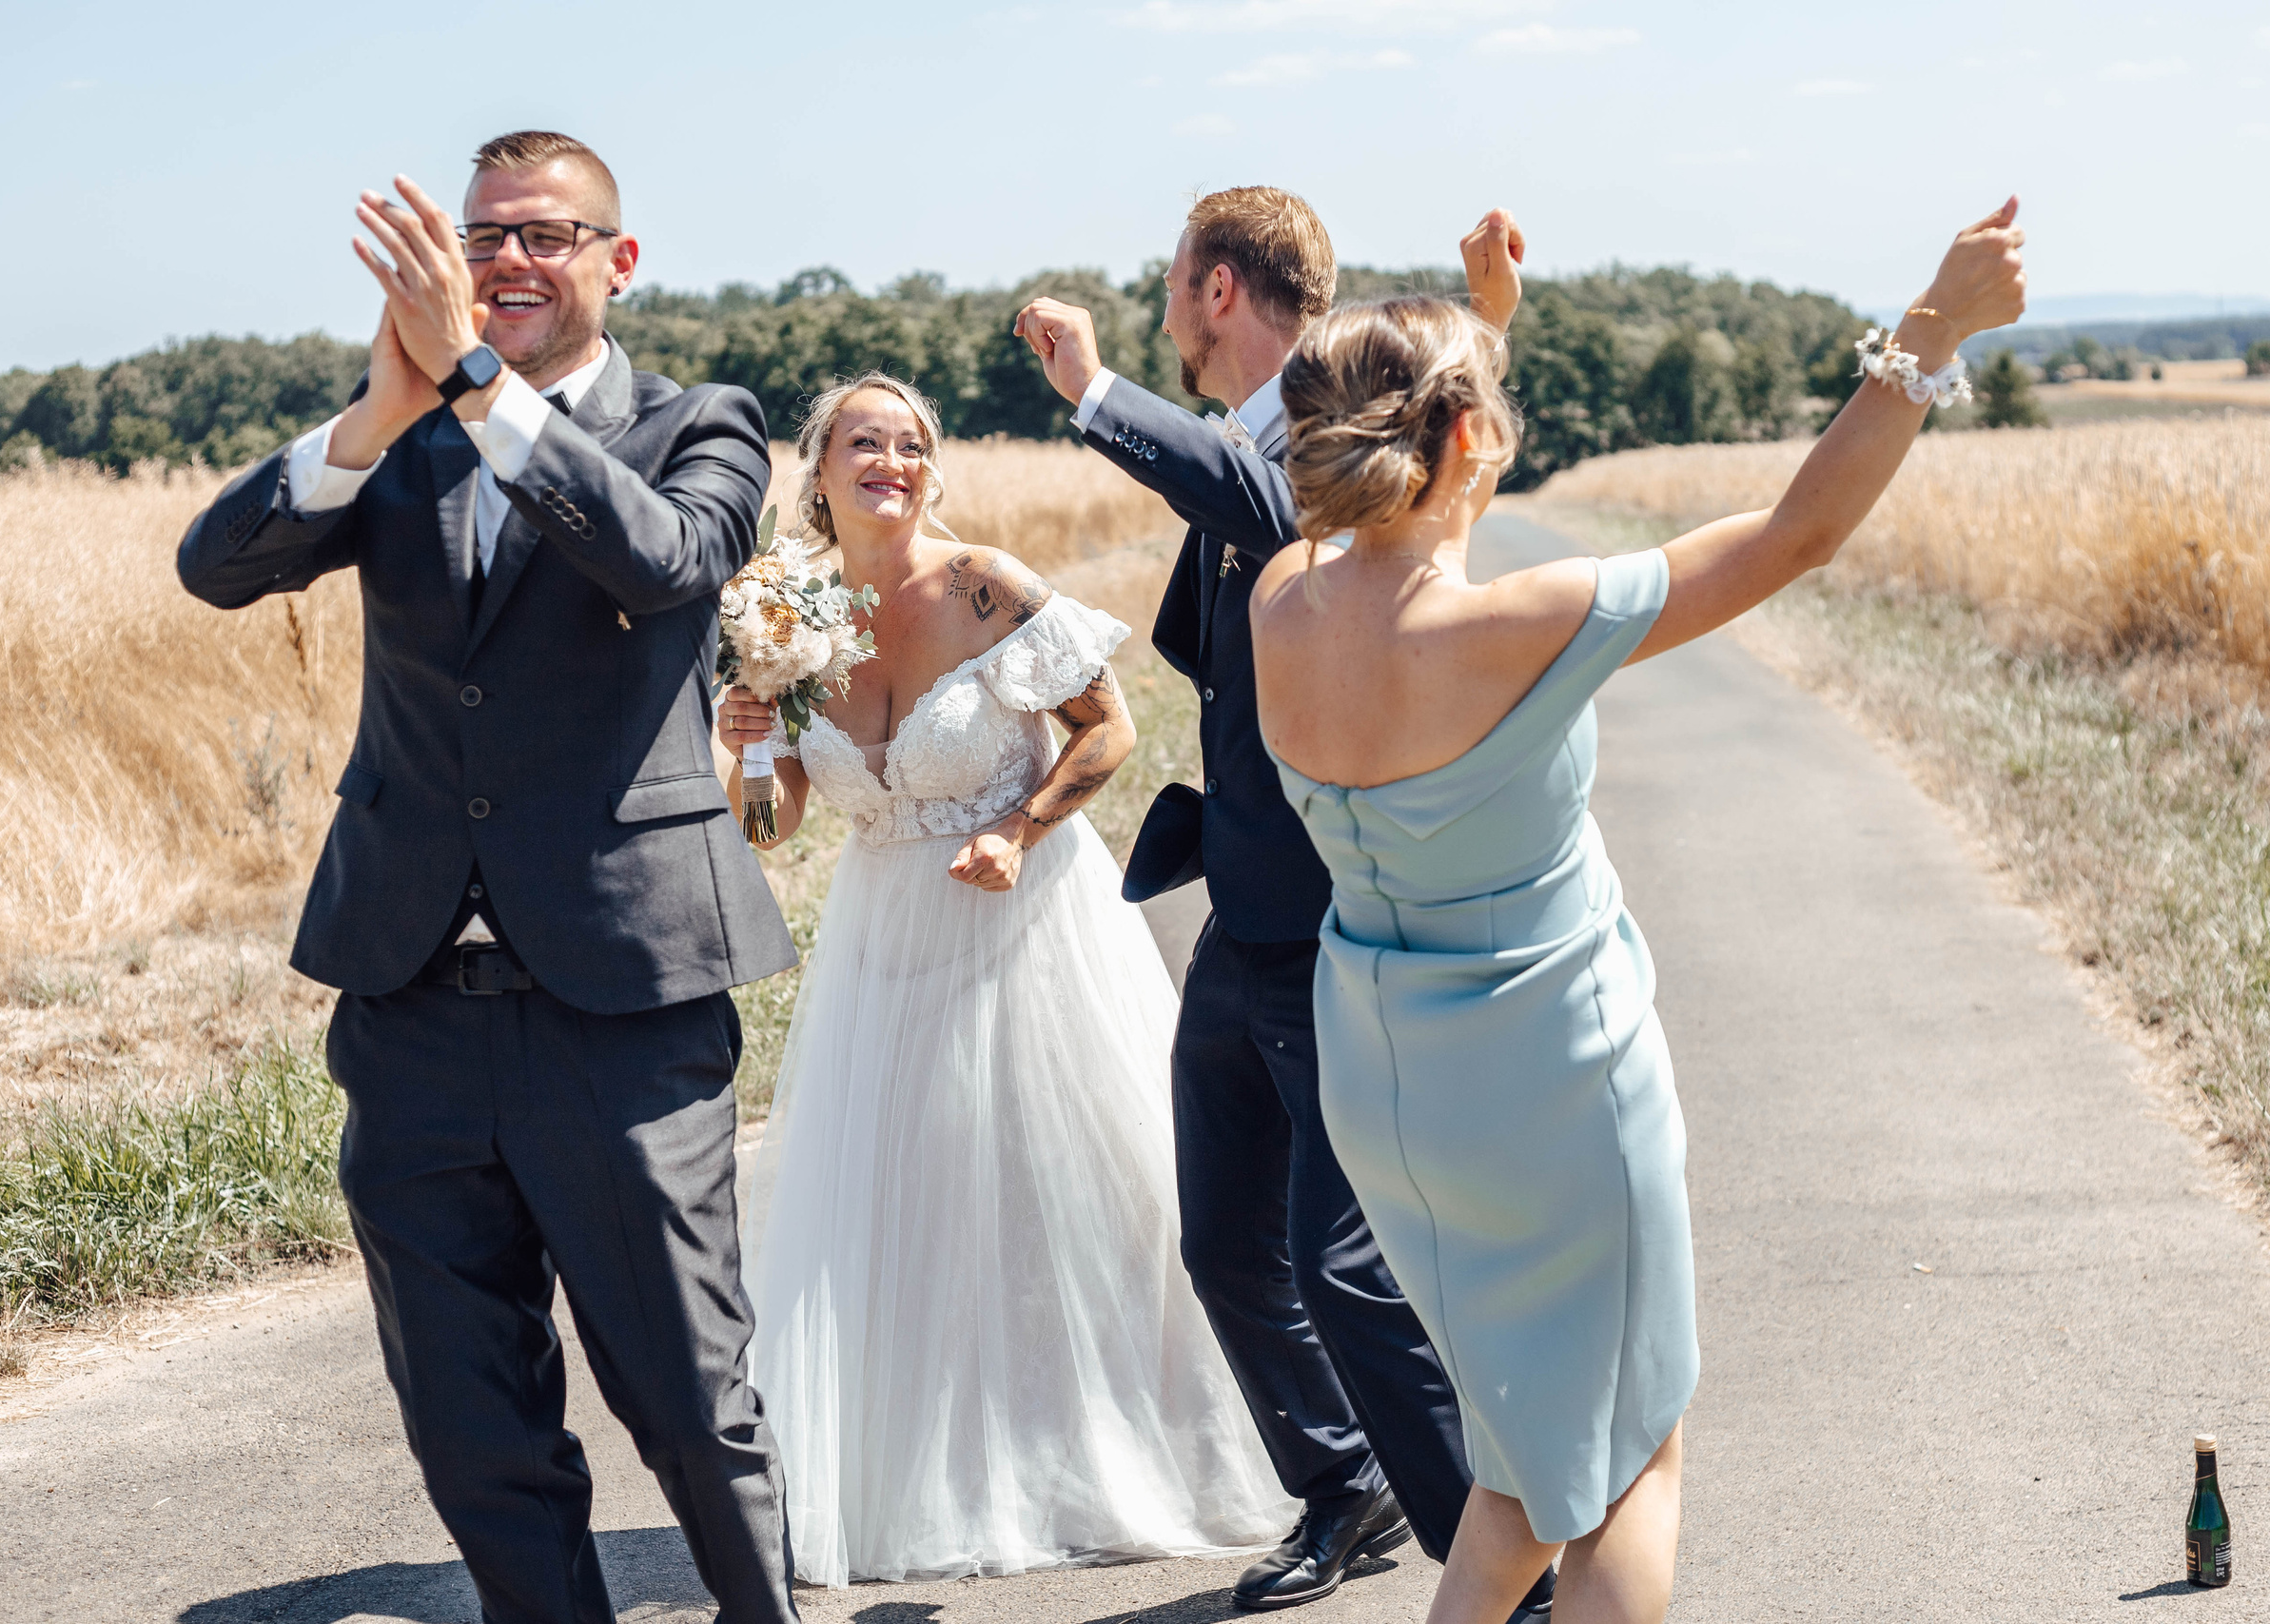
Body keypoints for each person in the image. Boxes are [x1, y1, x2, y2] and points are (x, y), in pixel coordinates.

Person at [1247, 202, 2027, 1623]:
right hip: (1551, 1079)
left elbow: (1409, 495)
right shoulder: (1528, 621)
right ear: (1468, 437)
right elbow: (1798, 533)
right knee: (1625, 1467)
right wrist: (1935, 326)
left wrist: (1482, 326)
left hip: (1389, 1090)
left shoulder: (1283, 603)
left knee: (1521, 1466)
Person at [175, 131, 803, 1624]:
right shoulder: (403, 435)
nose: (506, 259)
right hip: (409, 997)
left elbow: (663, 560)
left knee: (686, 1387)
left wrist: (476, 383)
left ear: (618, 260)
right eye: (482, 237)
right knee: (470, 1413)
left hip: (622, 999)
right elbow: (217, 564)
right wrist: (376, 414)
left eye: (542, 233)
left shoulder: (700, 423)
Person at [1014, 188, 1556, 1618]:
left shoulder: (1311, 449)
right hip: (1240, 909)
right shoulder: (1262, 445)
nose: (1165, 320)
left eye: (1170, 291)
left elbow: (1287, 493)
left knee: (1345, 1267)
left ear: (1213, 290)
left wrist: (1094, 393)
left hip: (1333, 922)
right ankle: (1338, 1481)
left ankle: (1507, 1573)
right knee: (1224, 1240)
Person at [718, 373, 1296, 1588]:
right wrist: (750, 752)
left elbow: (1107, 727)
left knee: (1074, 1181)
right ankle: (934, 1468)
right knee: (910, 1198)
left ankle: (1151, 1439)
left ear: (933, 469)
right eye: (864, 442)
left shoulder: (984, 584)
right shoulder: (785, 610)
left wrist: (1018, 829)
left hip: (1023, 913)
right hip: (884, 935)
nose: (890, 461)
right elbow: (774, 829)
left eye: (911, 444)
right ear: (819, 469)